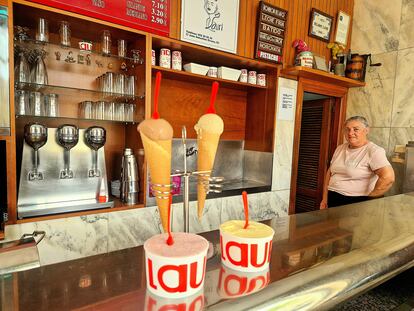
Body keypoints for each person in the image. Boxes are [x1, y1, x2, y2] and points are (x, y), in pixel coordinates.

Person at [320, 116, 395, 208]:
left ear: (366, 130)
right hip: (333, 198)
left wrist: (369, 201)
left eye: (356, 129)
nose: (350, 133)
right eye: (347, 130)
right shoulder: (340, 148)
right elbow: (330, 173)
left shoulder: (374, 151)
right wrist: (324, 199)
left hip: (356, 202)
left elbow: (388, 178)